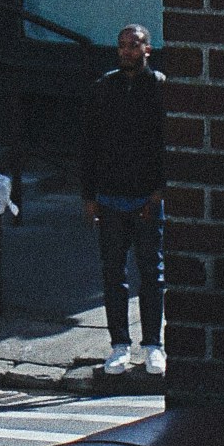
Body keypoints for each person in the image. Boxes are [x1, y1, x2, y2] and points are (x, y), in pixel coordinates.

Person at [81, 19, 168, 357]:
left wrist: (160, 191)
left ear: (147, 49)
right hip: (111, 195)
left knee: (151, 272)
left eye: (135, 45)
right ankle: (119, 344)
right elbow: (89, 144)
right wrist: (89, 196)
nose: (128, 51)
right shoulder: (104, 88)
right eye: (123, 45)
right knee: (113, 272)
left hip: (147, 195)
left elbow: (166, 143)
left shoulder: (159, 87)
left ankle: (152, 345)